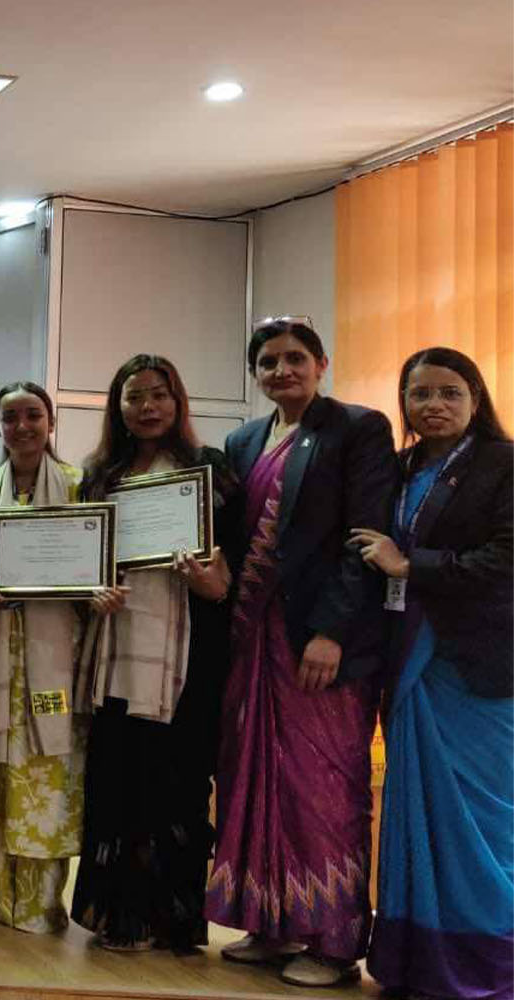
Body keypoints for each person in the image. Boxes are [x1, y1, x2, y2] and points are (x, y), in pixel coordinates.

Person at [208, 317, 396, 986]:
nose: (282, 370)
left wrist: (332, 632)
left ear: (321, 364)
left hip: (318, 645)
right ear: (255, 373)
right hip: (253, 641)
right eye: (268, 362)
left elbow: (365, 537)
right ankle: (272, 923)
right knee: (256, 782)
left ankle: (334, 942)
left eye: (295, 358)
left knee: (323, 789)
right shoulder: (243, 440)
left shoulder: (357, 429)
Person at [352, 347, 512, 1000]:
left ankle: (490, 965)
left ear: (475, 398)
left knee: (484, 820)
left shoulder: (504, 464)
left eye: (450, 392)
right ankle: (416, 962)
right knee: (415, 813)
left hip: (476, 667)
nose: (434, 405)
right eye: (420, 394)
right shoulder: (401, 468)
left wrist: (409, 564)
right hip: (409, 660)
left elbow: (505, 560)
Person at [69, 354, 237, 953]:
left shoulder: (209, 468)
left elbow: (231, 571)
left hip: (187, 662)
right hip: (114, 656)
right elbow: (82, 566)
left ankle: (174, 922)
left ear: (178, 400)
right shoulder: (99, 476)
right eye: (134, 396)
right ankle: (123, 917)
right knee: (116, 784)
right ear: (117, 407)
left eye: (159, 394)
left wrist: (209, 582)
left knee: (178, 789)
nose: (147, 407)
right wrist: (93, 593)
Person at [0, 381, 116, 933]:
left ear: (51, 421)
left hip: (56, 665)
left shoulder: (79, 485)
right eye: (10, 417)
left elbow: (98, 561)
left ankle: (42, 905)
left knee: (52, 771)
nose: (22, 426)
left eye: (32, 415)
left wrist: (95, 588)